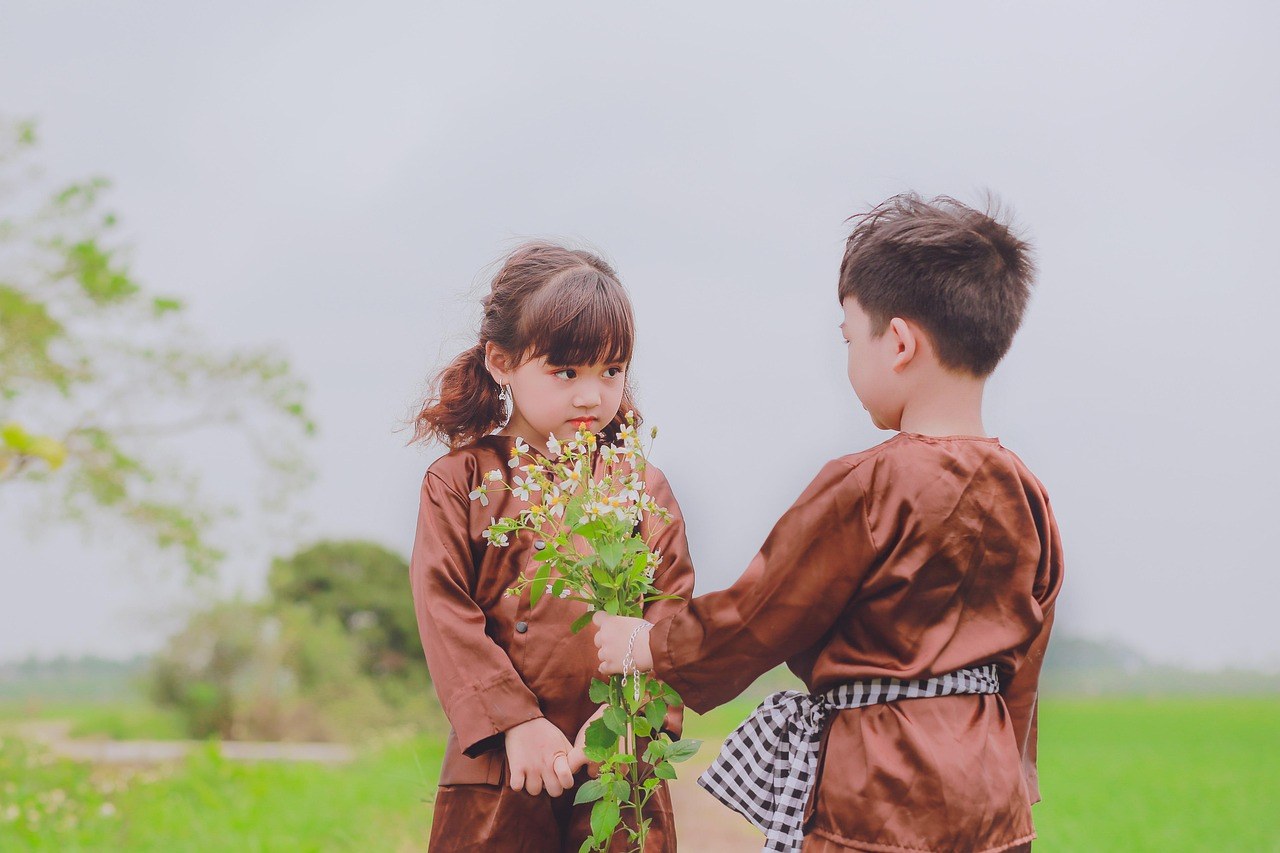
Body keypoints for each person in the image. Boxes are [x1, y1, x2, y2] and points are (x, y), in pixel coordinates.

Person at [593, 195, 1064, 853]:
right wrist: (1011, 771)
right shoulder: (1028, 492)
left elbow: (764, 609)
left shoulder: (869, 483)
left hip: (881, 789)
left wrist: (651, 645)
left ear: (898, 342)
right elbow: (1025, 664)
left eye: (850, 338)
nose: (848, 361)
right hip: (991, 791)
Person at [409, 242, 695, 852]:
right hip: (501, 767)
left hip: (617, 765)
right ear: (501, 361)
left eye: (610, 371)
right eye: (566, 372)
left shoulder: (639, 486)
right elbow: (445, 614)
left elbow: (671, 615)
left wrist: (628, 720)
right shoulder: (460, 481)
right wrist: (515, 723)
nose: (591, 396)